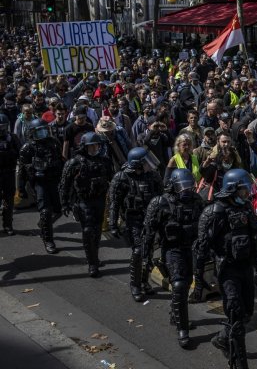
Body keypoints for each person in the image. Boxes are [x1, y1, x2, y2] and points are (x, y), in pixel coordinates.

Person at [196, 169, 257, 369]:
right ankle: (239, 363)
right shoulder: (215, 212)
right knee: (235, 314)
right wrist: (199, 281)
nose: (248, 193)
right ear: (233, 189)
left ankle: (223, 339)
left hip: (245, 268)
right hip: (227, 270)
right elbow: (201, 248)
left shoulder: (246, 209)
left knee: (246, 314)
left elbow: (254, 239)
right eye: (244, 189)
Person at [142, 169, 206, 348]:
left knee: (186, 283)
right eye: (183, 187)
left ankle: (175, 313)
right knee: (178, 284)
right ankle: (182, 329)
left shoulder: (197, 201)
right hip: (172, 249)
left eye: (189, 187)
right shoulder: (161, 203)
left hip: (190, 248)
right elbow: (148, 232)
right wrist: (147, 258)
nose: (186, 191)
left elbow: (205, 225)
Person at [108, 147, 164, 301]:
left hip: (151, 219)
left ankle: (144, 281)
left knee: (149, 252)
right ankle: (135, 285)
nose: (149, 164)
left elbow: (161, 197)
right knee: (138, 252)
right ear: (137, 164)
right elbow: (114, 202)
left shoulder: (153, 176)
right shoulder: (122, 177)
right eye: (146, 162)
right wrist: (112, 224)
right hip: (133, 220)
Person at [59, 132, 113, 277]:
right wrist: (64, 203)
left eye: (97, 145)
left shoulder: (105, 161)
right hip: (83, 201)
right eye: (92, 146)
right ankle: (92, 264)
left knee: (97, 232)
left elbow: (112, 180)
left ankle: (94, 257)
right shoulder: (75, 162)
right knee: (88, 231)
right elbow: (65, 184)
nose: (95, 148)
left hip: (100, 200)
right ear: (85, 147)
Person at [17, 118, 65, 254]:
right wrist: (21, 189)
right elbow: (22, 170)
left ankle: (44, 224)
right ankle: (48, 239)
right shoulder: (27, 148)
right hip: (39, 183)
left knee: (58, 210)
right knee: (45, 211)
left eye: (45, 130)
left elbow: (60, 160)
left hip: (54, 180)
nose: (43, 133)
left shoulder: (54, 143)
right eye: (39, 131)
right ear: (32, 133)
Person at [0, 113, 21, 235]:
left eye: (3, 127)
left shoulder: (12, 138)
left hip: (8, 173)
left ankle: (8, 224)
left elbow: (21, 153)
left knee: (8, 200)